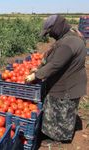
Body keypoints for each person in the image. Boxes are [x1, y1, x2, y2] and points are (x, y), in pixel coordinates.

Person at [25, 15, 87, 146]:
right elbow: (53, 58)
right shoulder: (70, 35)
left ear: (57, 28)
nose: (50, 35)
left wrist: (36, 76)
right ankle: (55, 133)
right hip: (70, 79)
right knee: (58, 108)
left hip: (68, 84)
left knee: (62, 111)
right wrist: (40, 68)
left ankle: (58, 138)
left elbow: (55, 65)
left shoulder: (68, 43)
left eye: (49, 32)